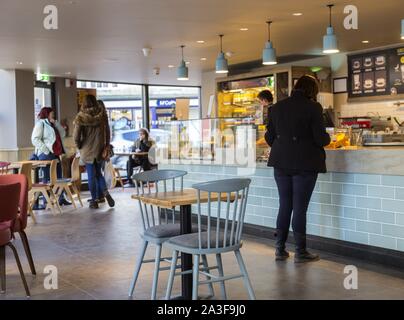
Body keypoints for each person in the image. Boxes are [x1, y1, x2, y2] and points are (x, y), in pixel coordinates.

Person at [265, 75, 331, 263]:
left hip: (280, 163)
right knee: (300, 208)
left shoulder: (277, 107)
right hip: (305, 163)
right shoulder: (313, 107)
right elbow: (321, 139)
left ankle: (280, 249)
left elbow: (269, 137)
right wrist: (328, 139)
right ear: (312, 90)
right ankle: (300, 252)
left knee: (285, 204)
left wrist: (283, 145)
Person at [74, 95, 115, 209]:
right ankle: (105, 193)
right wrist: (106, 145)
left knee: (91, 176)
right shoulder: (102, 115)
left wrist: (79, 146)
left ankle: (94, 200)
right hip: (100, 149)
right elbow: (107, 131)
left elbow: (76, 136)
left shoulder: (81, 117)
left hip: (87, 150)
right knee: (99, 174)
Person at [31, 107, 71, 206]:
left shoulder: (53, 124)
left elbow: (63, 133)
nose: (53, 115)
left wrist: (56, 123)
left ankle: (61, 198)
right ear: (46, 114)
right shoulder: (41, 124)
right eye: (51, 113)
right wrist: (46, 150)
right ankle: (46, 200)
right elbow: (35, 139)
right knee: (47, 178)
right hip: (46, 155)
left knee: (58, 177)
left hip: (55, 154)